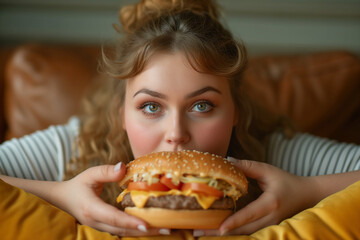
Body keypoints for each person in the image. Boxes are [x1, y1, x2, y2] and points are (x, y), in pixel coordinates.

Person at [1, 0, 359, 237]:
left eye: (201, 106)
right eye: (151, 107)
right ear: (121, 113)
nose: (176, 135)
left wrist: (308, 191)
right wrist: (61, 195)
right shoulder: (73, 147)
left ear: (235, 112)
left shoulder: (273, 152)